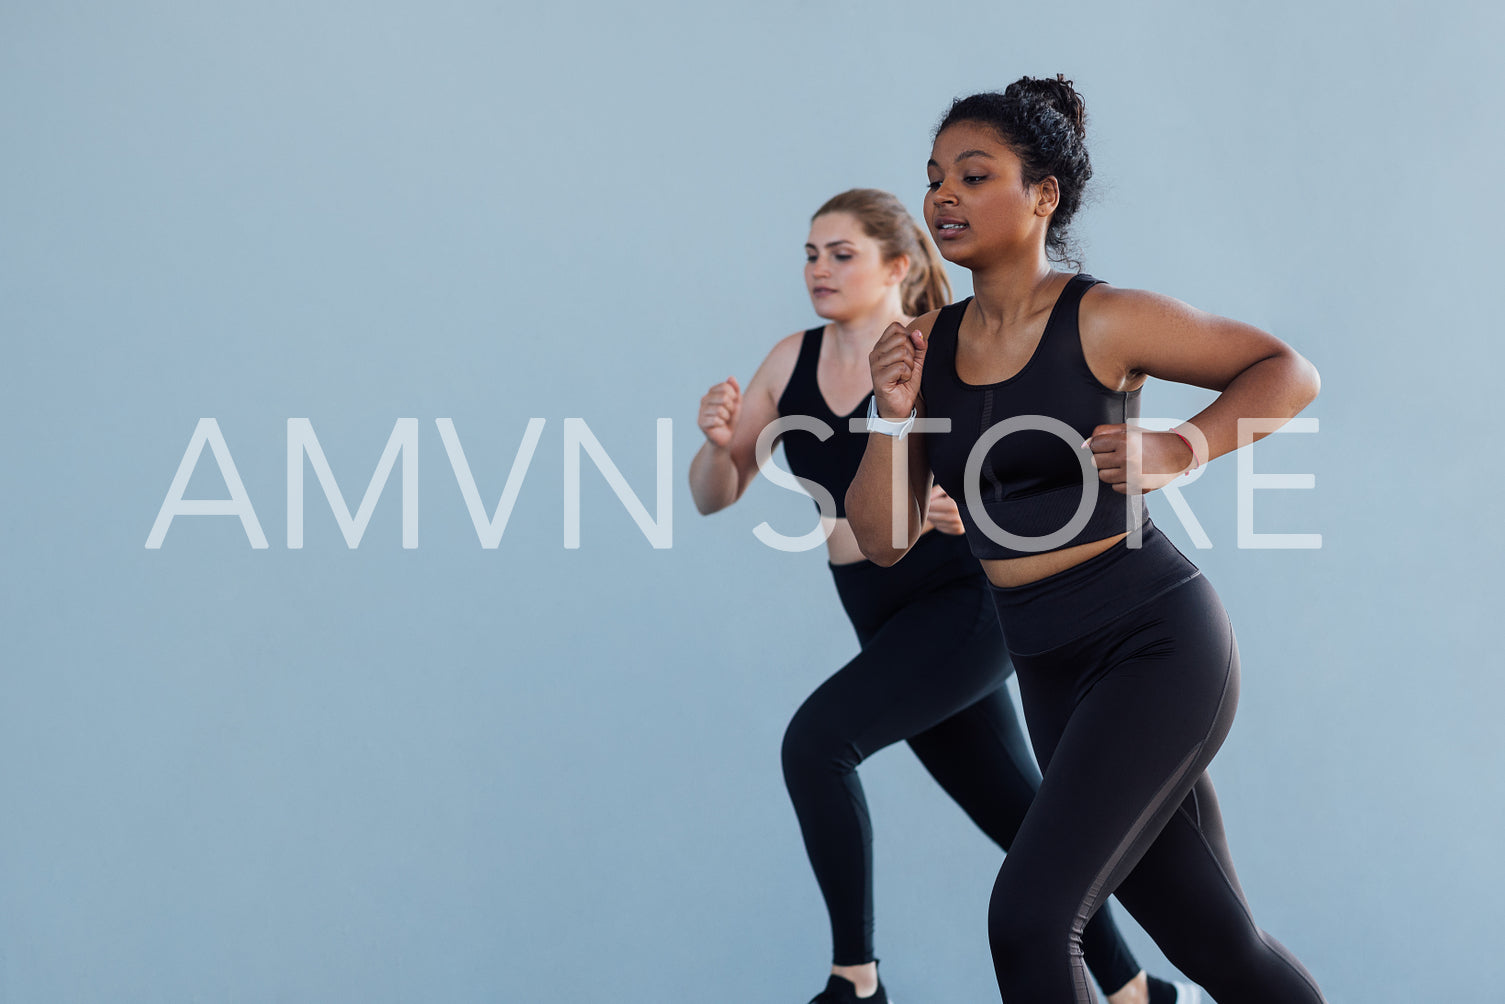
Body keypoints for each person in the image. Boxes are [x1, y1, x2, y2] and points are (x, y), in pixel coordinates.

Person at [844, 78, 1330, 1004]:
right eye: (935, 178)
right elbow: (884, 537)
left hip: (1154, 644)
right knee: (1221, 949)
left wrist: (1182, 445)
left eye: (972, 175)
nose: (942, 196)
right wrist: (893, 414)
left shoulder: (1102, 319)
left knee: (1029, 919)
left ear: (1042, 196)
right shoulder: (923, 346)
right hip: (1049, 670)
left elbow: (1287, 372)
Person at [690, 188, 1199, 1004]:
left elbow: (1006, 462)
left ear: (897, 265)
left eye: (840, 253)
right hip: (880, 618)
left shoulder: (931, 352)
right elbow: (714, 493)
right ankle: (1138, 992)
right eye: (810, 253)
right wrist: (718, 446)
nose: (818, 269)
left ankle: (855, 981)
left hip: (961, 608)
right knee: (1019, 820)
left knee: (815, 744)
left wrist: (945, 501)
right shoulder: (790, 362)